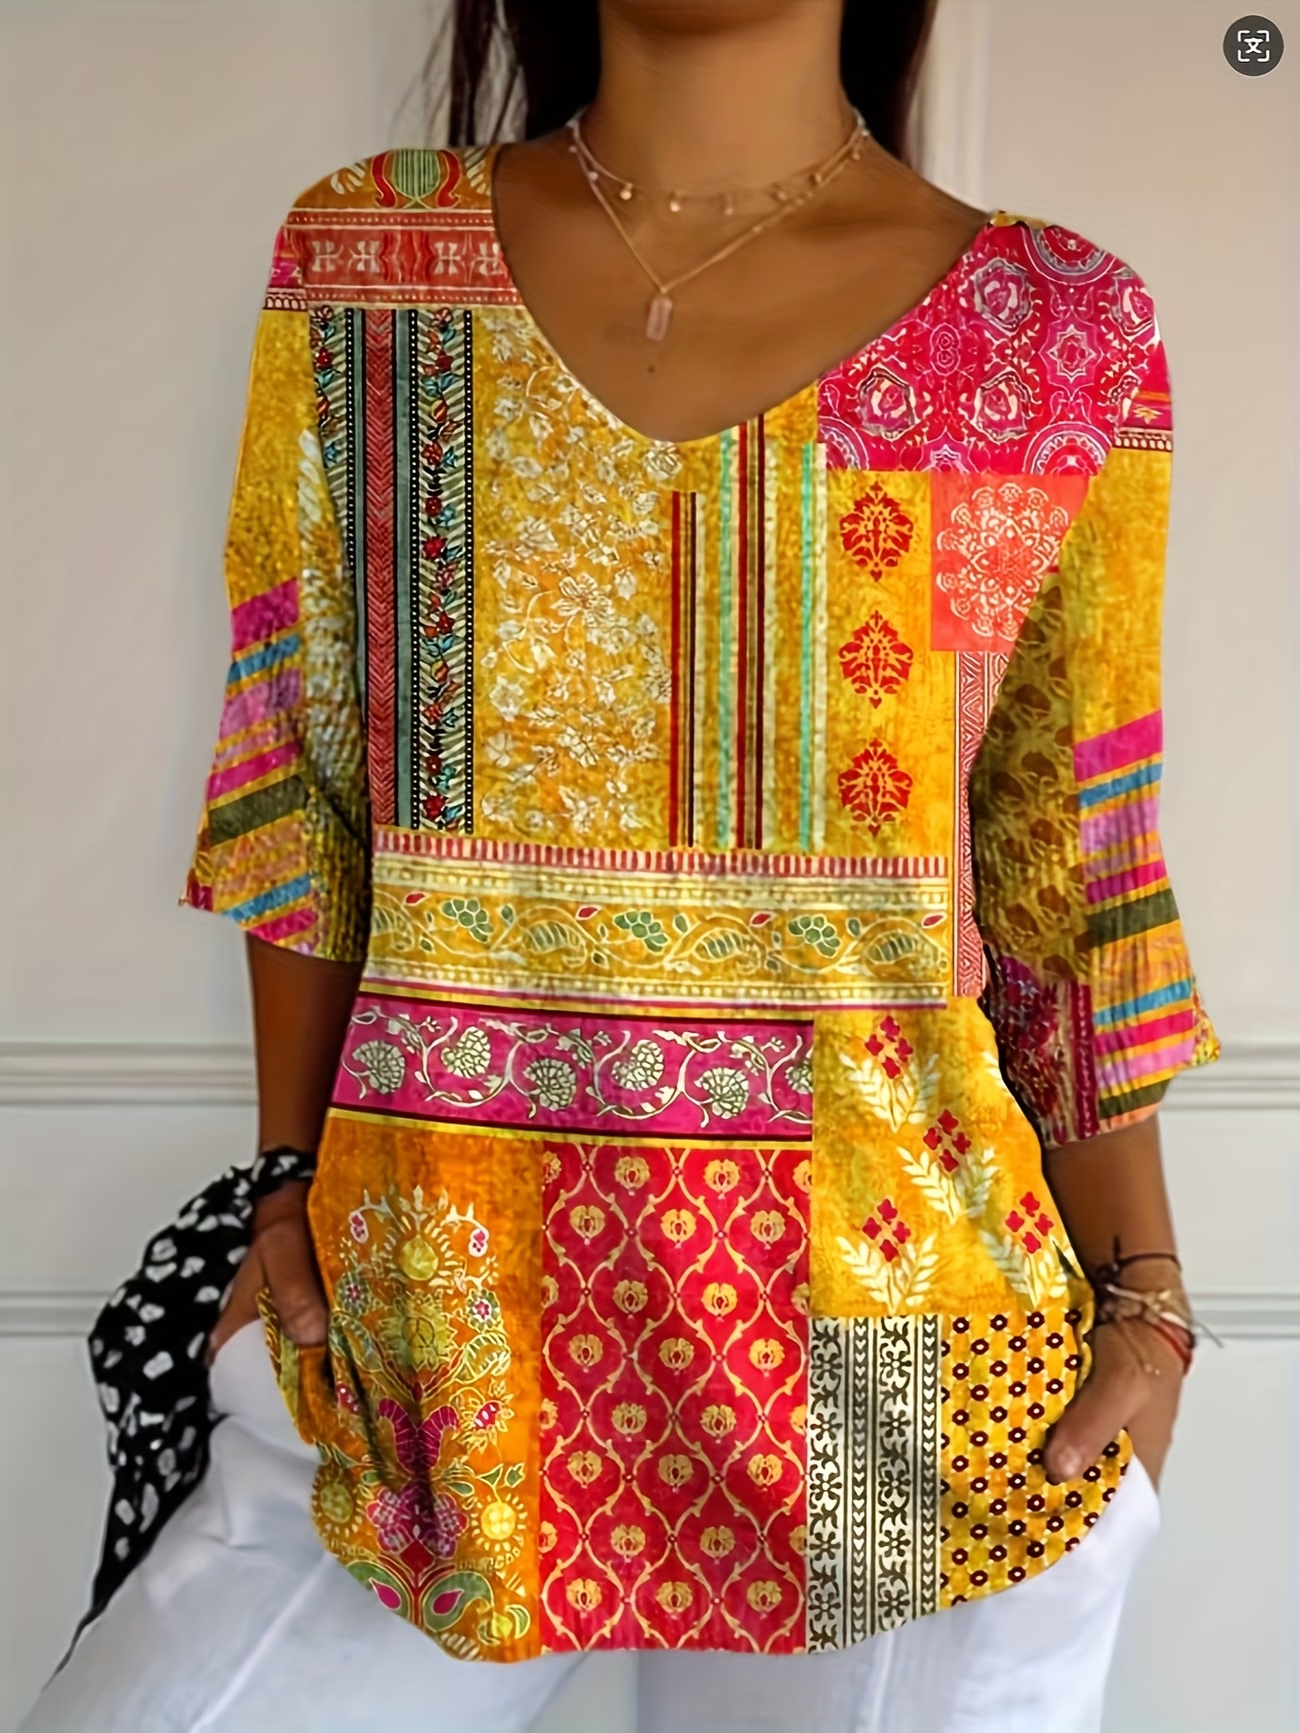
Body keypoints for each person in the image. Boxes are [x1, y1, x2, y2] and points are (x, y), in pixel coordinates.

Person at [22, 2, 1218, 1729]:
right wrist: (286, 1184)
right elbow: (302, 779)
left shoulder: (1050, 328)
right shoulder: (371, 263)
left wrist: (1151, 1308)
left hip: (905, 1376)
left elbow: (1069, 870)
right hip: (421, 1350)